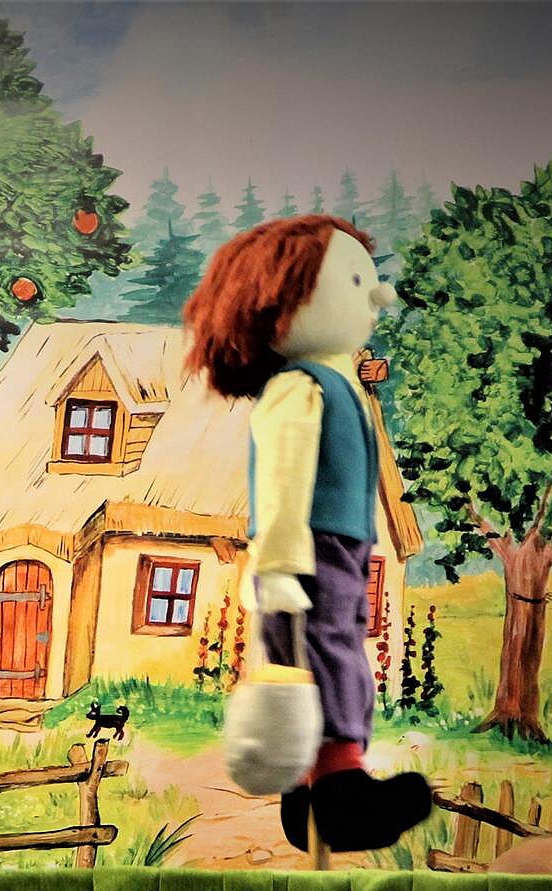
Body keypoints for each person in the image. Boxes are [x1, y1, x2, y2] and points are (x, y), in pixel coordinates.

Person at [184, 213, 434, 852]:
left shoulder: (336, 381)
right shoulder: (298, 387)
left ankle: (312, 793)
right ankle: (338, 787)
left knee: (340, 644)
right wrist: (277, 564)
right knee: (321, 651)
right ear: (282, 304)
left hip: (339, 542)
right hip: (309, 548)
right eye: (355, 281)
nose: (377, 295)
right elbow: (281, 480)